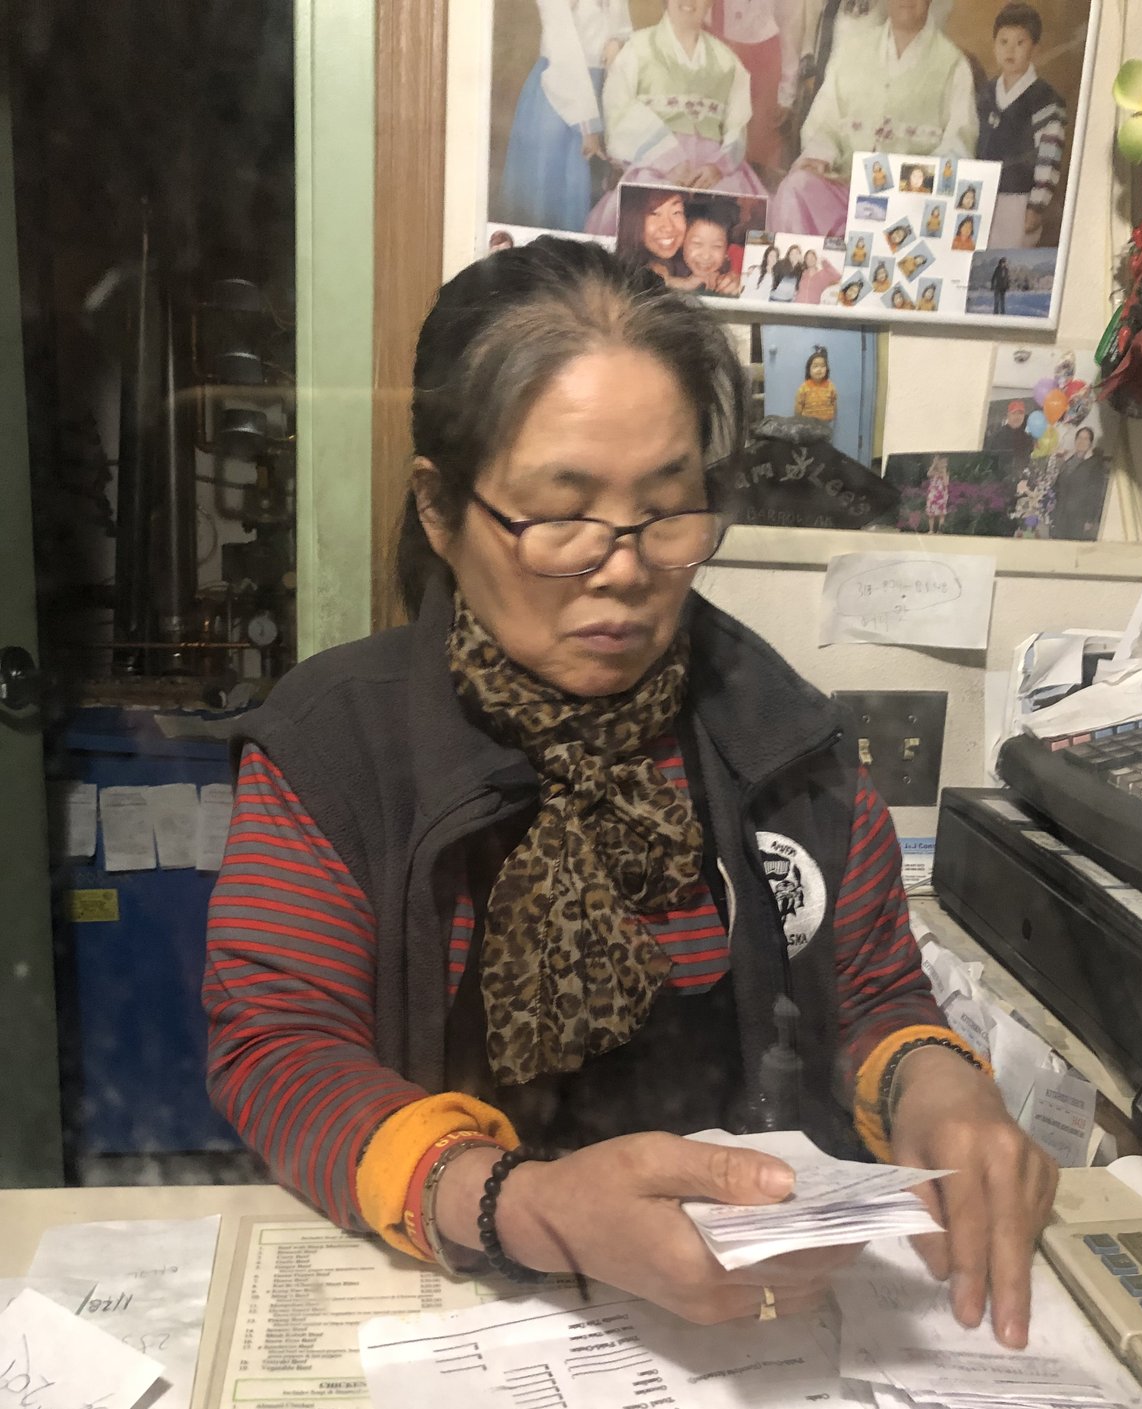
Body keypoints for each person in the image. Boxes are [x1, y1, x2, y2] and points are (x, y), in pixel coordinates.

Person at [205, 238, 1055, 1339]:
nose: (624, 568)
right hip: (457, 1300)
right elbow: (281, 1049)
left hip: (750, 1314)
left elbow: (874, 993)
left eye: (667, 510)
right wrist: (521, 1206)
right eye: (560, 514)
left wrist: (933, 1081)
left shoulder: (780, 737)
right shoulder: (338, 749)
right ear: (440, 509)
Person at [768, 0, 978, 236]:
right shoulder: (852, 52)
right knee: (795, 189)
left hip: (908, 200)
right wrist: (820, 156)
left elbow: (959, 145)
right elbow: (825, 123)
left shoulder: (953, 64)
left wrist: (906, 181)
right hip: (845, 189)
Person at [586, 0, 767, 237]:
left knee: (737, 210)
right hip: (654, 162)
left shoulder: (727, 60)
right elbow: (619, 110)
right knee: (649, 205)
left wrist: (717, 167)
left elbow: (738, 124)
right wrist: (668, 160)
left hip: (712, 169)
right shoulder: (638, 48)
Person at [499, 0, 633, 233]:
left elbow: (622, 29)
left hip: (601, 90)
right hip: (558, 96)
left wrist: (618, 42)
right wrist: (587, 126)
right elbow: (562, 51)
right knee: (556, 192)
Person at [977, 3, 1066, 250]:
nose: (1010, 50)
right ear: (994, 46)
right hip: (981, 196)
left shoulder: (1045, 100)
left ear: (1034, 49)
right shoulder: (985, 94)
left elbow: (1049, 158)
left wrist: (1036, 206)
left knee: (1007, 259)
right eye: (1003, 42)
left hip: (1018, 201)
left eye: (1020, 43)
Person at [704, 0, 804, 172]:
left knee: (756, 150)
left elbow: (789, 29)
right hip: (716, 52)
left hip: (764, 64)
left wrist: (786, 92)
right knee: (714, 144)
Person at [615, 186, 692, 282]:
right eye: (654, 213)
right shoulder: (622, 273)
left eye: (676, 212)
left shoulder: (690, 263)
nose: (668, 227)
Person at [1051, 426, 1107, 539]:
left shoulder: (1095, 464)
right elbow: (1058, 486)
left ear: (1090, 443)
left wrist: (1090, 519)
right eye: (1079, 438)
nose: (1082, 441)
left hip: (1079, 517)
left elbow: (1095, 494)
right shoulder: (1068, 461)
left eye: (1086, 439)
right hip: (1061, 514)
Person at [679, 199, 743, 295]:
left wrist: (738, 284)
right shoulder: (667, 265)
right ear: (682, 242)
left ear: (727, 250)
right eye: (697, 243)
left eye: (717, 246)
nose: (706, 256)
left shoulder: (732, 273)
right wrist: (685, 283)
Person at [793, 344, 838, 422]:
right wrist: (798, 420)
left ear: (827, 369)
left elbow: (834, 403)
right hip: (808, 424)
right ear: (809, 369)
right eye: (815, 366)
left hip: (826, 423)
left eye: (823, 366)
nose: (819, 369)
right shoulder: (804, 387)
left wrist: (834, 416)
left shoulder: (830, 386)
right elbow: (798, 406)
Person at [925, 452, 950, 531]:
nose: (943, 465)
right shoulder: (934, 472)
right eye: (941, 463)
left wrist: (944, 473)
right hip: (933, 494)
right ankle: (931, 530)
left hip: (942, 495)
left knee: (941, 513)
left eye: (945, 463)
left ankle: (940, 530)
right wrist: (934, 463)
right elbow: (928, 474)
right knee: (931, 513)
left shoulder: (946, 473)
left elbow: (946, 483)